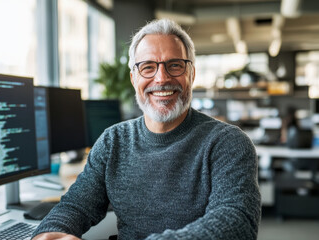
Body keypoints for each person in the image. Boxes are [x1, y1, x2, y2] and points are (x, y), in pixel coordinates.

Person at [31, 19, 261, 240]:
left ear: (191, 74)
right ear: (134, 78)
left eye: (175, 65)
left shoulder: (227, 142)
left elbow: (236, 222)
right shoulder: (113, 141)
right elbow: (77, 205)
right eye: (148, 67)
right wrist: (49, 233)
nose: (161, 78)